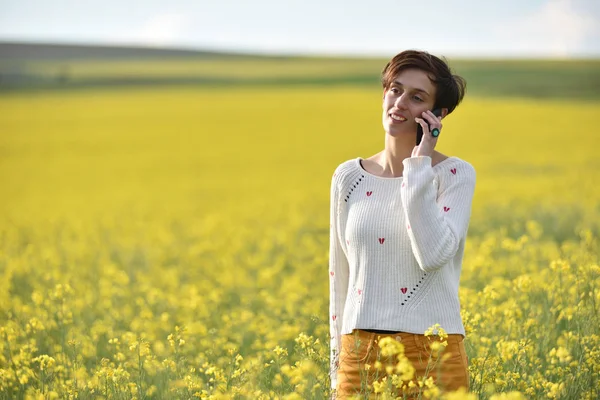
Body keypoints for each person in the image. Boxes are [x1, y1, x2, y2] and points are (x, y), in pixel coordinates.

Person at [328, 50, 475, 399]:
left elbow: (433, 254)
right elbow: (340, 279)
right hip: (359, 352)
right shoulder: (347, 177)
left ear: (437, 115)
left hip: (432, 352)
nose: (400, 102)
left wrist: (419, 164)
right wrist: (336, 371)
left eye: (417, 97)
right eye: (395, 90)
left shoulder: (453, 175)